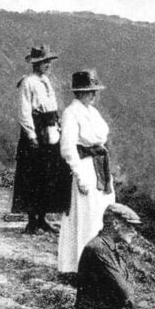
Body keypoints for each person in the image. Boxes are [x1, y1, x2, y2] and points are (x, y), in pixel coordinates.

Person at [57, 69, 116, 274]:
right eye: (89, 90)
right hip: (84, 167)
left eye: (94, 90)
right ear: (79, 92)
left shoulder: (93, 112)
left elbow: (101, 137)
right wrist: (79, 175)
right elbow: (67, 147)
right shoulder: (70, 113)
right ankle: (80, 265)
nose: (93, 94)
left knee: (100, 213)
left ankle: (99, 262)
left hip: (98, 166)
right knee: (85, 216)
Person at [11, 45, 71, 234]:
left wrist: (57, 127)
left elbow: (51, 107)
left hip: (50, 129)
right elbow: (24, 110)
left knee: (48, 173)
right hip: (36, 130)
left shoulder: (46, 81)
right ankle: (32, 220)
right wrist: (31, 135)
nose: (47, 65)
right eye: (44, 62)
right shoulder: (28, 82)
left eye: (48, 62)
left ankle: (43, 217)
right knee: (32, 174)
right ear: (35, 63)